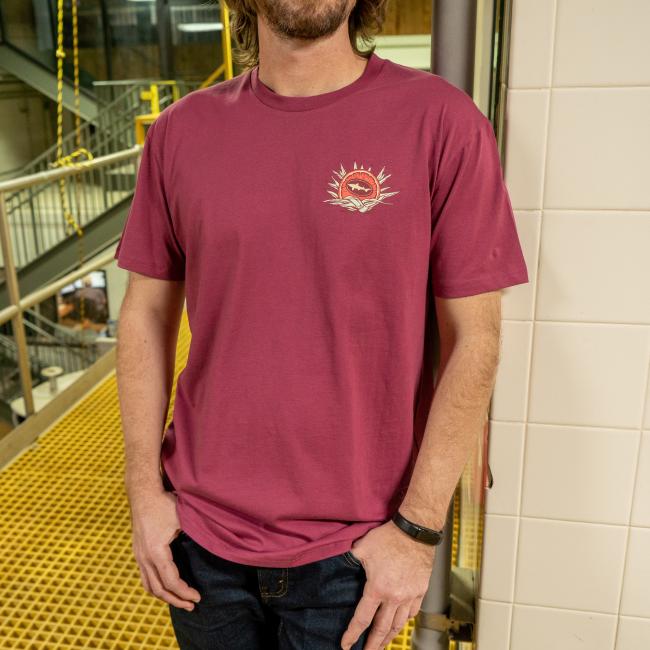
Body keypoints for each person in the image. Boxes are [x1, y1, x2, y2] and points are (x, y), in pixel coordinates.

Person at [113, 1, 529, 648]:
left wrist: (417, 531)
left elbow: (476, 340)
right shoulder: (182, 131)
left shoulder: (440, 121)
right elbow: (145, 312)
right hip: (201, 539)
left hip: (355, 551)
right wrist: (144, 493)